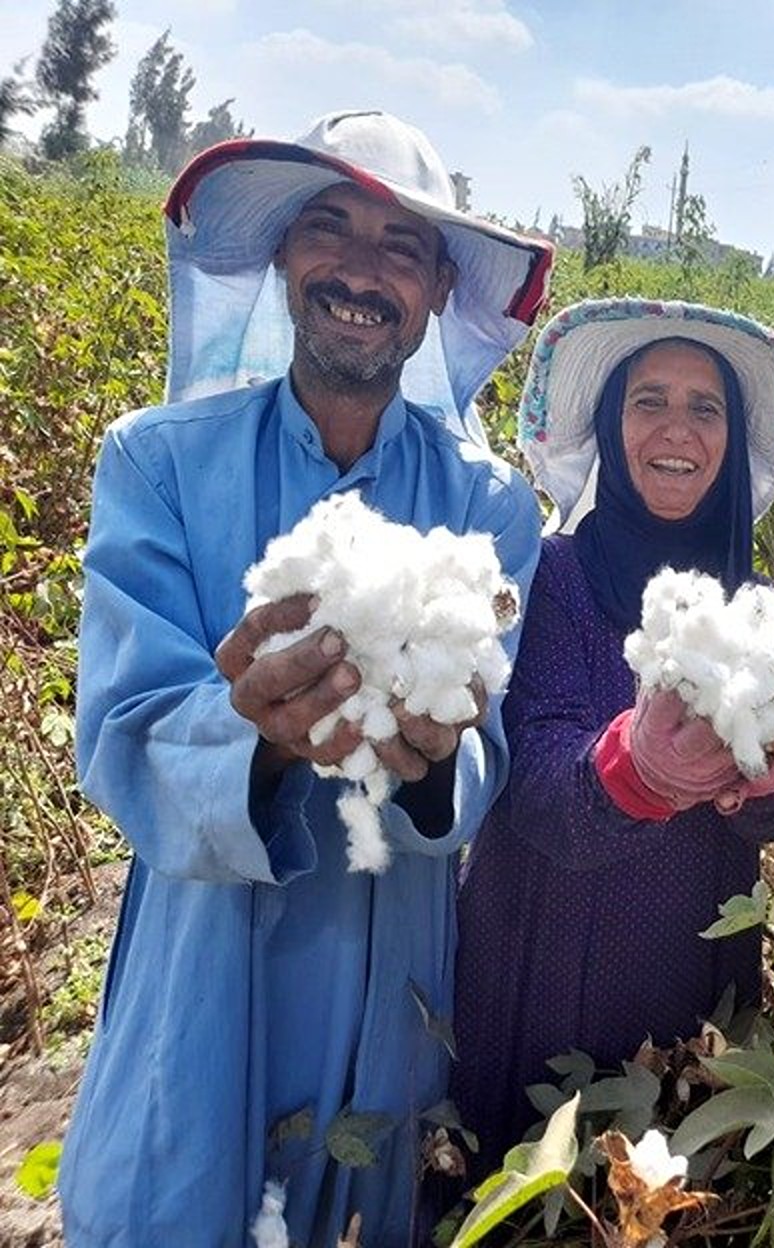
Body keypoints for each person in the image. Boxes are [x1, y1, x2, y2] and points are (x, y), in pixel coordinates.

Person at [59, 111, 552, 1247]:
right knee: (182, 1194)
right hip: (205, 944)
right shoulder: (157, 463)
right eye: (330, 229)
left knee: (357, 1197)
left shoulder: (488, 508)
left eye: (400, 247)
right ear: (284, 254)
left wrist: (436, 758)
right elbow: (127, 725)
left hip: (385, 945)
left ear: (435, 293)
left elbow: (485, 747)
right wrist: (257, 737)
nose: (360, 272)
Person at [452, 299, 774, 1167]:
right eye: (648, 400)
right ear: (611, 427)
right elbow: (527, 769)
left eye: (706, 408)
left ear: (732, 440)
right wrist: (635, 767)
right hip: (541, 963)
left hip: (694, 958)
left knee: (671, 1185)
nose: (677, 430)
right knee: (538, 1185)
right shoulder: (549, 576)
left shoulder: (756, 605)